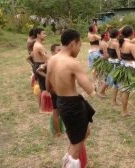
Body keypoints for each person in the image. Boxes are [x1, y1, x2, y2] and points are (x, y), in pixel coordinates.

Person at [46, 29, 96, 168]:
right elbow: (89, 89)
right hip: (72, 106)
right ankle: (70, 161)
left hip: (61, 102)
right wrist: (94, 90)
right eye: (79, 45)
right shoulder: (72, 63)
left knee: (85, 132)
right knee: (76, 143)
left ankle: (69, 158)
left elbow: (47, 86)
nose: (79, 49)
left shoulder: (52, 59)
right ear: (73, 43)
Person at [37, 44, 61, 136]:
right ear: (52, 52)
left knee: (61, 110)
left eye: (61, 50)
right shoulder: (50, 61)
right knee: (56, 111)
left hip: (62, 89)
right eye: (58, 50)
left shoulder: (62, 60)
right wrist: (48, 77)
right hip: (54, 91)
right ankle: (58, 132)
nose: (60, 51)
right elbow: (39, 70)